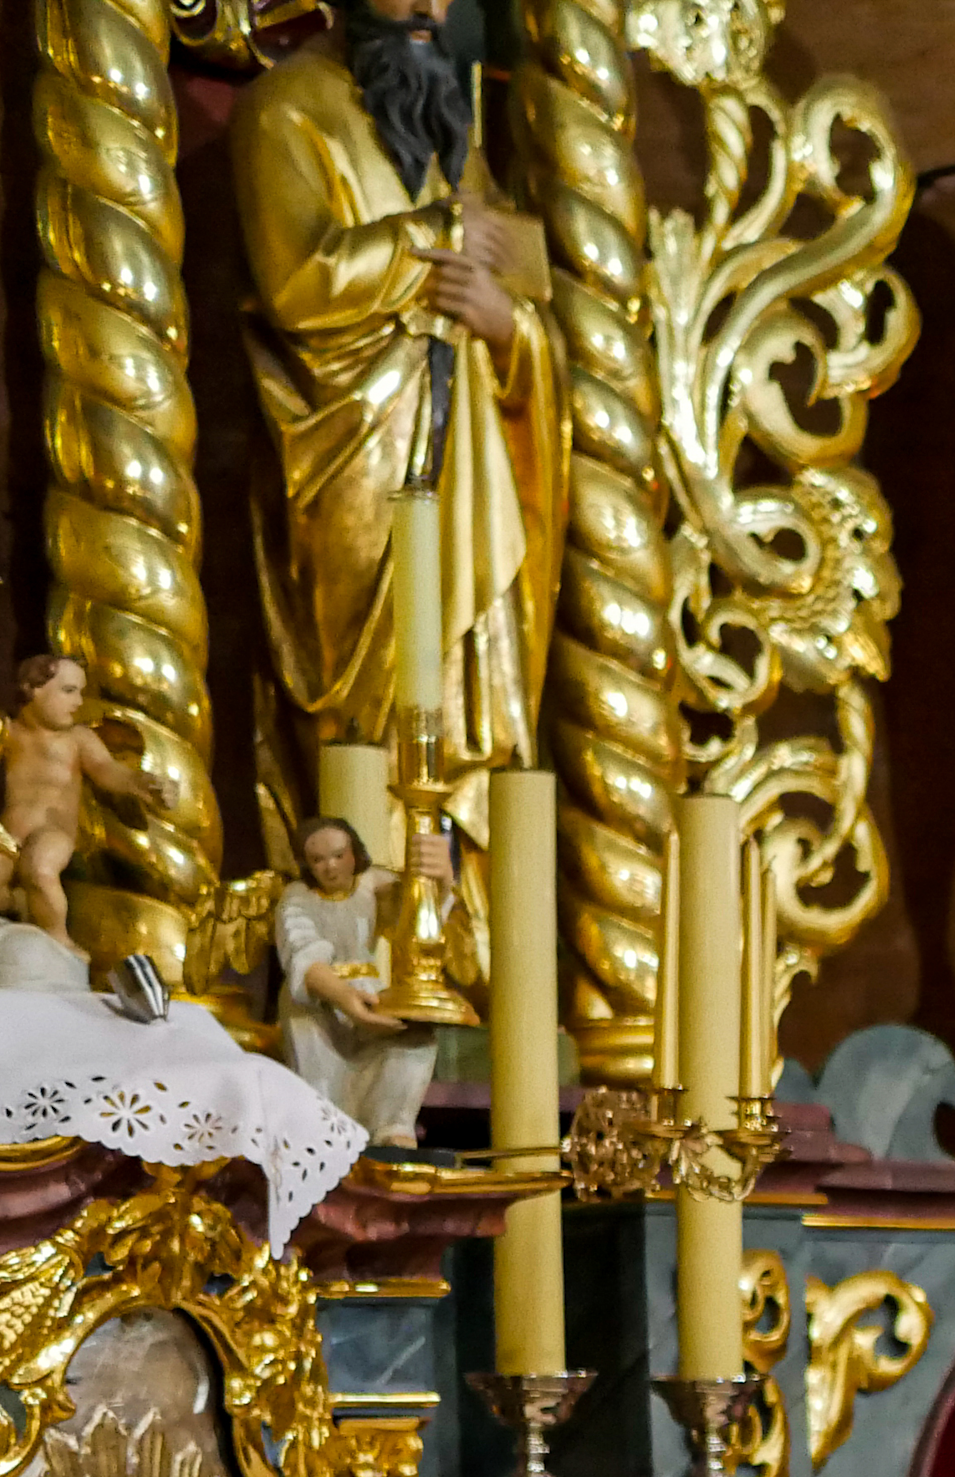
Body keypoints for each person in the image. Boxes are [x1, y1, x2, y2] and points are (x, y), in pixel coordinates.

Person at [231, 0, 560, 890]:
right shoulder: (285, 110)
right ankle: (365, 934)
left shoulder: (449, 135)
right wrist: (438, 236)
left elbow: (517, 281)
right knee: (360, 720)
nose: (431, 11)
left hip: (470, 475)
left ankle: (472, 943)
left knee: (472, 702)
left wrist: (509, 330)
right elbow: (298, 282)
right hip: (353, 466)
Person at [271, 813, 444, 1145]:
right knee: (318, 1063)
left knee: (415, 1039)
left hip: (369, 992)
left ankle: (391, 1127)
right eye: (318, 860)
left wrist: (441, 879)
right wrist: (344, 998)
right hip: (317, 998)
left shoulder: (374, 884)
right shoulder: (296, 897)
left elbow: (418, 917)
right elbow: (303, 954)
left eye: (338, 855)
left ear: (355, 854)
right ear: (306, 864)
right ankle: (327, 1132)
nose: (330, 867)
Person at [0, 658, 182, 944]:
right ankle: (11, 912)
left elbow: (107, 771)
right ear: (33, 689)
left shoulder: (78, 739)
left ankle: (59, 942)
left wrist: (140, 783)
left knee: (39, 868)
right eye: (69, 690)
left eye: (80, 691)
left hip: (52, 832)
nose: (78, 701)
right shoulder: (9, 732)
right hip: (8, 836)